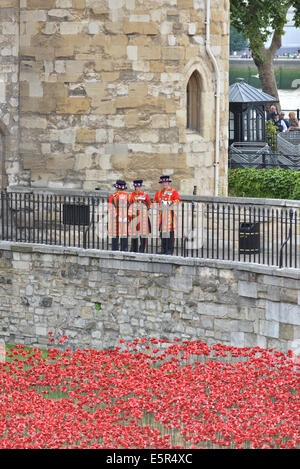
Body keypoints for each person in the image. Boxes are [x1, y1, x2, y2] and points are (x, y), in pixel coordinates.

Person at [153, 175, 181, 255]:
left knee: (170, 234)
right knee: (162, 234)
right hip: (162, 216)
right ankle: (163, 249)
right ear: (161, 183)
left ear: (168, 183)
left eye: (166, 182)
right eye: (163, 182)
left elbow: (177, 201)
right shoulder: (158, 193)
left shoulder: (173, 191)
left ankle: (170, 250)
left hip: (170, 216)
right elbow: (155, 202)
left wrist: (169, 203)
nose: (164, 184)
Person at [128, 180, 151, 253]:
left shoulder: (145, 195)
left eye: (139, 187)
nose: (138, 188)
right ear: (135, 187)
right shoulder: (131, 195)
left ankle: (142, 249)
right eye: (136, 187)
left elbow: (148, 204)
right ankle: (134, 248)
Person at [108, 180, 130, 251]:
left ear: (117, 188)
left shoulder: (113, 196)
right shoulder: (128, 196)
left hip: (115, 219)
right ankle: (124, 250)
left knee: (115, 235)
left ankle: (115, 250)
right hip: (125, 218)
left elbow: (111, 208)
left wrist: (116, 216)